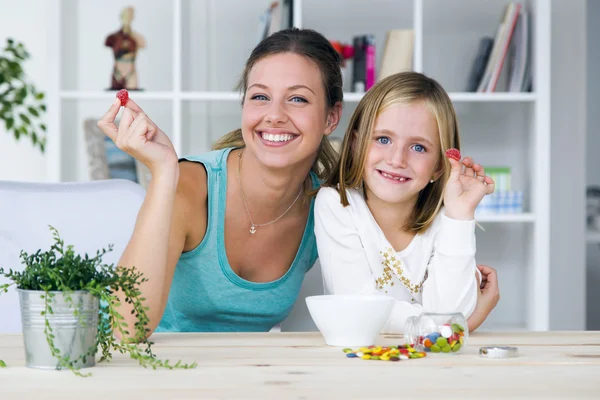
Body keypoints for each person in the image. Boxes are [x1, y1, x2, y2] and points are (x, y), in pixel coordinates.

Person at [96, 28, 343, 336]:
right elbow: (125, 331)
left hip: (240, 375)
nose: (275, 115)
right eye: (260, 97)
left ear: (331, 117)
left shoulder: (328, 208)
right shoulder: (190, 185)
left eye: (297, 99)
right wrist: (164, 175)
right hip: (135, 368)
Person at [314, 71, 499, 333]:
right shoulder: (337, 204)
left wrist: (460, 215)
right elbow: (360, 311)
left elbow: (452, 309)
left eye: (419, 148)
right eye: (383, 139)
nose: (397, 159)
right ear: (355, 144)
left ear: (438, 167)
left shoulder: (447, 220)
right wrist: (463, 324)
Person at [105, 6, 146, 90]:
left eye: (130, 16)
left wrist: (131, 33)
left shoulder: (135, 38)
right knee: (117, 100)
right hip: (118, 71)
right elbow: (108, 42)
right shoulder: (113, 37)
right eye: (126, 16)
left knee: (131, 98)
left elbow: (143, 44)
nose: (128, 19)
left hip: (130, 71)